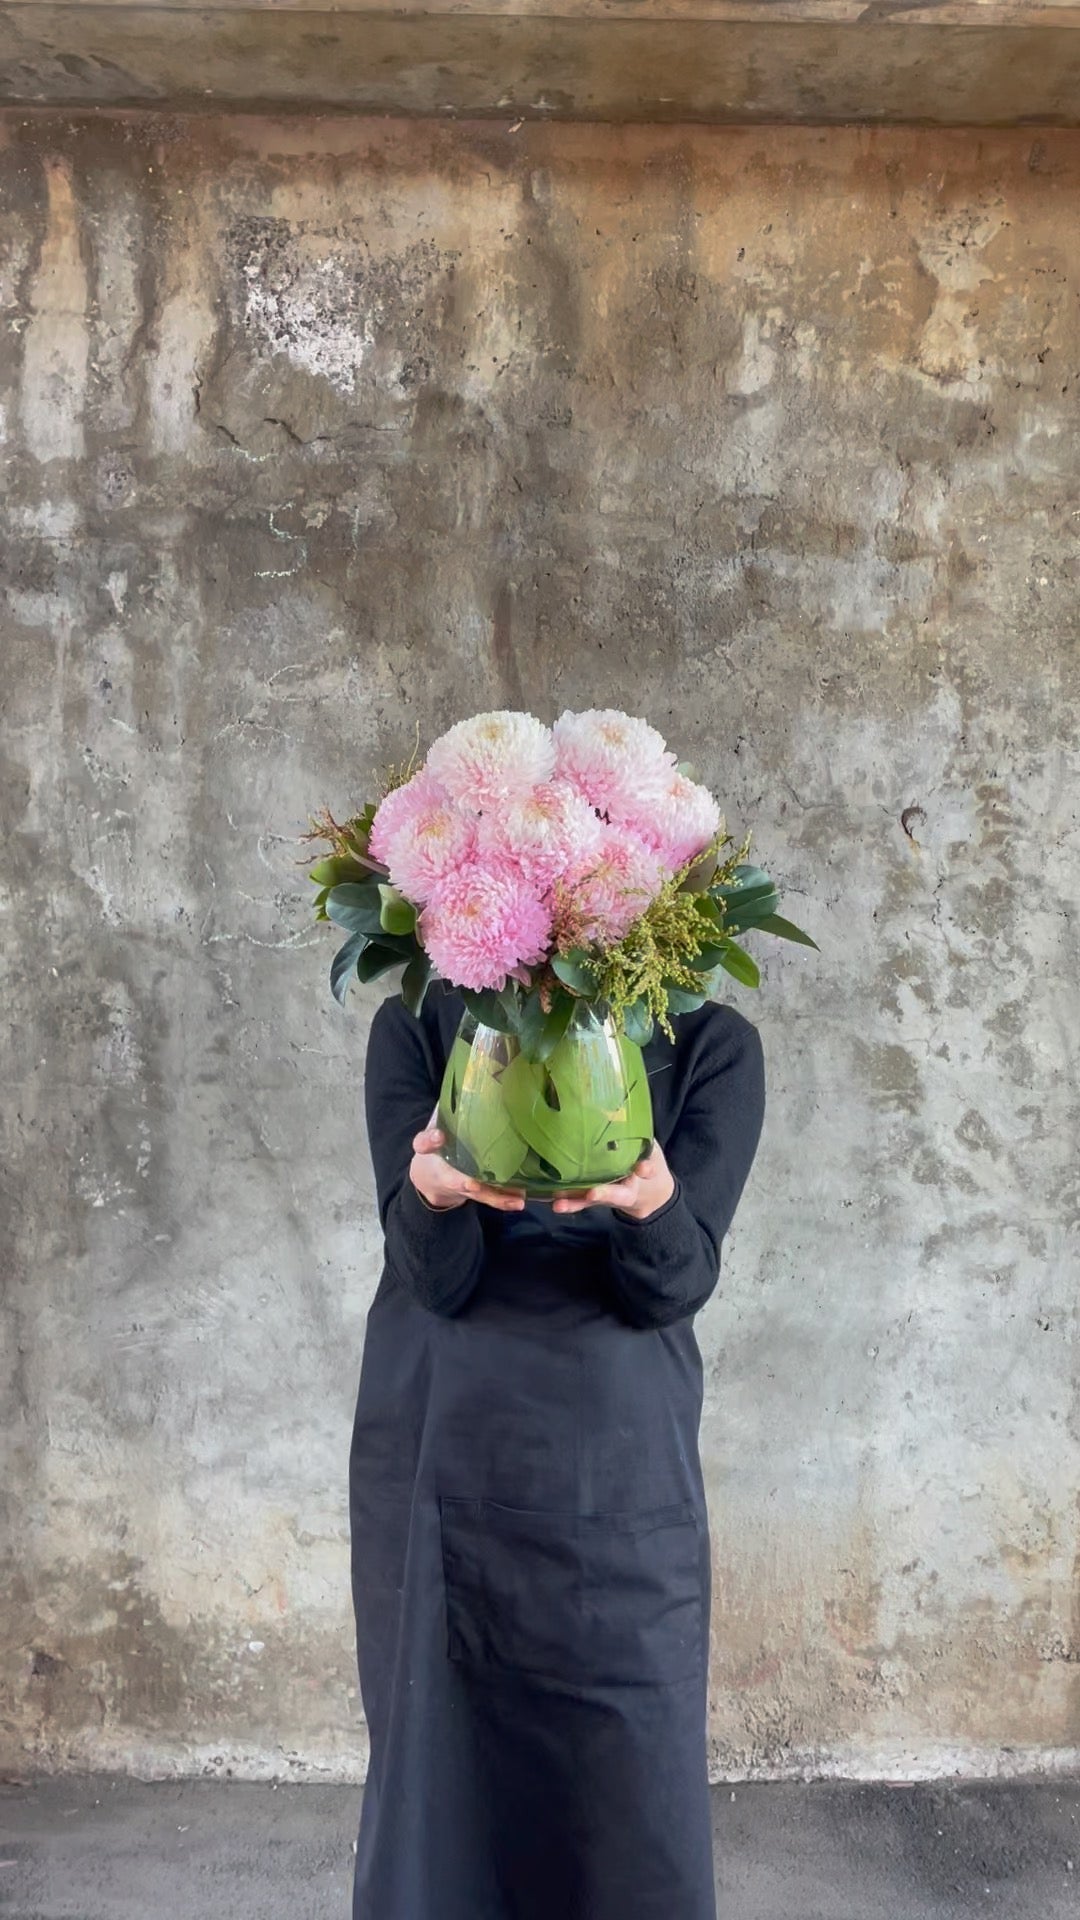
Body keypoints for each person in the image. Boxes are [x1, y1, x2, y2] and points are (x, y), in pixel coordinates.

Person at [349, 980, 766, 1920]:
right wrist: (432, 1193)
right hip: (440, 1444)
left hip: (619, 1464)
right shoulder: (420, 1028)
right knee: (440, 1766)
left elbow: (672, 1284)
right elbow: (431, 1279)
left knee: (626, 1785)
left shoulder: (710, 1047)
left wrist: (653, 1207)